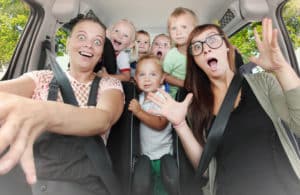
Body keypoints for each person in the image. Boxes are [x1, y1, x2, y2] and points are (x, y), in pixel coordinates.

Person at [148, 18, 300, 195]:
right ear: (195, 60)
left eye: (212, 40)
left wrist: (281, 68)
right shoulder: (194, 106)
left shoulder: (262, 82)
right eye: (197, 47)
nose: (206, 48)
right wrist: (180, 125)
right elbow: (205, 168)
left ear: (226, 46)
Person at [0, 12, 124, 195]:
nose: (89, 44)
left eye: (97, 42)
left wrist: (43, 112)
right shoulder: (40, 77)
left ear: (100, 55)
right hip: (29, 181)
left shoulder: (109, 84)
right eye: (81, 37)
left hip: (83, 185)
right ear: (67, 43)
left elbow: (102, 119)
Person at [129, 54, 173, 195]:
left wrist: (139, 112)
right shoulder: (139, 99)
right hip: (145, 156)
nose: (147, 78)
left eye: (153, 74)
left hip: (163, 156)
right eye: (142, 74)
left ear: (162, 79)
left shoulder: (164, 98)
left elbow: (160, 124)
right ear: (136, 79)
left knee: (164, 189)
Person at [163, 7, 198, 98]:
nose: (178, 32)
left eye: (184, 27)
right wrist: (184, 84)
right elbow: (164, 75)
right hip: (176, 96)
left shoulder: (200, 51)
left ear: (194, 30)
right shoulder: (171, 55)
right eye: (174, 28)